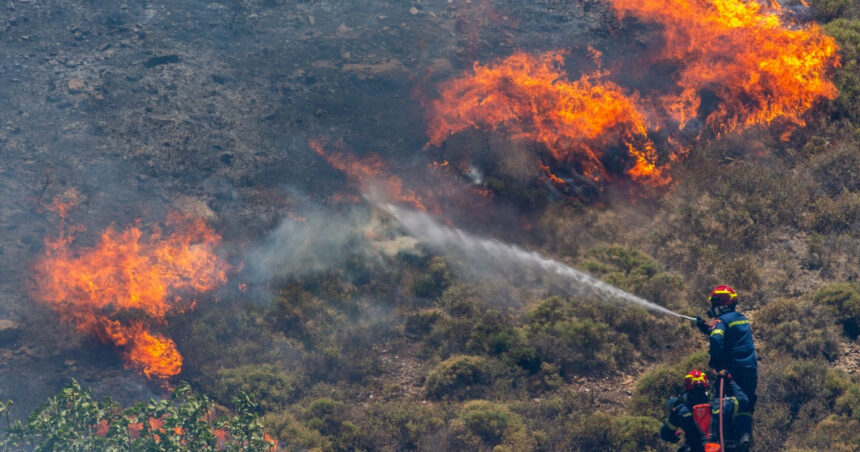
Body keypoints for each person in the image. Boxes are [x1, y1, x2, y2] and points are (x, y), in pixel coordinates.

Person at [695, 285, 757, 446]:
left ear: (720, 303)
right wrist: (707, 328)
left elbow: (717, 339)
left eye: (713, 304)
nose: (712, 308)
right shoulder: (741, 318)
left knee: (719, 403)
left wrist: (716, 361)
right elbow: (730, 334)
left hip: (732, 370)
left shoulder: (720, 321)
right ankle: (745, 436)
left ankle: (719, 439)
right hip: (750, 369)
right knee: (746, 401)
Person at [659, 369, 751, 452]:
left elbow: (665, 433)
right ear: (706, 387)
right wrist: (730, 380)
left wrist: (674, 436)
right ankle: (744, 436)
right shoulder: (723, 404)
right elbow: (744, 401)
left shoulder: (681, 411)